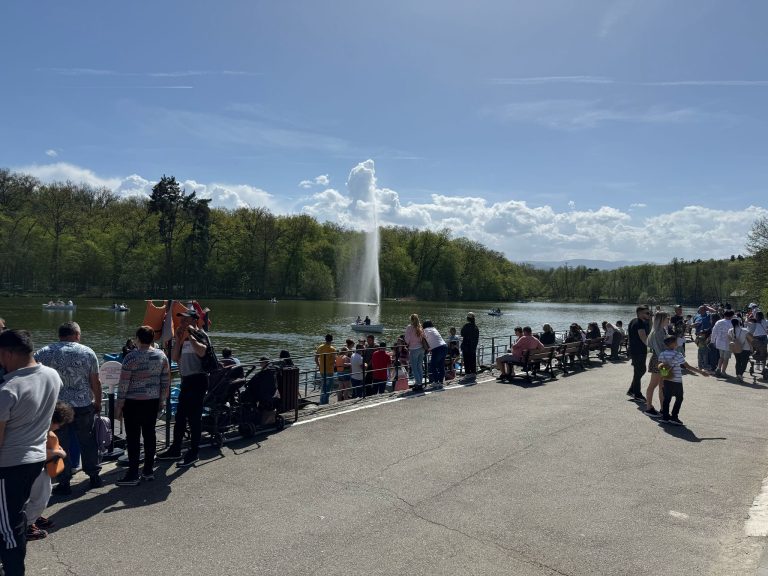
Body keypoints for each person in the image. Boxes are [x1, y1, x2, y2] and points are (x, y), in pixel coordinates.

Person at [0, 329, 61, 575]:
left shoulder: (8, 389)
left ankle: (14, 571)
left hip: (9, 464)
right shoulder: (52, 375)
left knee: (8, 527)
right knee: (15, 518)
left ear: (6, 353)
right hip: (35, 459)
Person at [34, 321, 102, 493]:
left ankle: (64, 483)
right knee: (87, 441)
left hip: (56, 407)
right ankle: (94, 476)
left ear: (60, 335)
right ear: (77, 334)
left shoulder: (43, 352)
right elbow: (95, 381)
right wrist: (98, 402)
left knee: (59, 444)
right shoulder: (87, 352)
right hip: (83, 404)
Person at [114, 326, 171, 486]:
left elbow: (124, 383)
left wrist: (119, 404)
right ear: (153, 338)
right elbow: (165, 381)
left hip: (133, 402)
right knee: (149, 435)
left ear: (138, 338)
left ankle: (133, 473)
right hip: (152, 401)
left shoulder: (131, 357)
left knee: (132, 437)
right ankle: (148, 470)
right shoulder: (161, 356)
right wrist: (162, 400)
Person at [156, 311, 211, 468]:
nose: (181, 323)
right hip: (186, 381)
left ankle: (194, 452)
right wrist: (179, 340)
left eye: (185, 320)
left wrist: (191, 336)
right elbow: (174, 357)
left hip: (199, 379)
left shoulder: (201, 335)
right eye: (181, 320)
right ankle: (175, 448)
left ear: (193, 320)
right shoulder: (181, 336)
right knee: (180, 417)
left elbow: (202, 352)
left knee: (194, 418)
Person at [25, 402, 74, 541]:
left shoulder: (35, 424)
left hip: (36, 466)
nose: (59, 427)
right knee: (42, 497)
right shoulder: (39, 430)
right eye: (59, 424)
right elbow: (34, 452)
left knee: (32, 496)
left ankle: (33, 516)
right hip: (36, 466)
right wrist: (58, 452)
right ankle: (28, 525)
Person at [657, 335, 709, 425]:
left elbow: (661, 368)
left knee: (667, 399)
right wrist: (701, 372)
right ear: (673, 344)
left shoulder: (662, 354)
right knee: (679, 398)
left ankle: (665, 417)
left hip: (666, 380)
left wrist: (661, 381)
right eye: (676, 342)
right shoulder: (678, 355)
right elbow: (687, 367)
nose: (677, 343)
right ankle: (674, 416)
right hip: (677, 381)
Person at [644, 311, 669, 417]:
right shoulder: (658, 331)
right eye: (667, 318)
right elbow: (659, 348)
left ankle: (663, 408)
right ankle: (649, 407)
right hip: (660, 361)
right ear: (662, 319)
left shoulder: (660, 330)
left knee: (662, 385)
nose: (668, 319)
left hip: (661, 360)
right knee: (654, 384)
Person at [627, 306, 651, 402]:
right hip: (638, 351)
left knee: (640, 370)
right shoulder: (639, 323)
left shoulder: (634, 321)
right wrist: (653, 346)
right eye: (647, 313)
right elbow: (643, 338)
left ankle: (632, 390)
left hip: (636, 350)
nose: (649, 315)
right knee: (639, 371)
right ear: (640, 313)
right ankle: (637, 394)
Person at [422, 320, 448, 388]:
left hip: (437, 348)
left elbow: (424, 341)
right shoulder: (434, 329)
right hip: (444, 346)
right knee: (441, 365)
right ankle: (441, 382)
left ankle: (436, 382)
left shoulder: (424, 331)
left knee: (432, 366)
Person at [711, 309, 736, 377]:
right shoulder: (732, 323)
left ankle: (718, 368)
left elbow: (714, 331)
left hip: (719, 342)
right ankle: (723, 371)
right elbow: (735, 333)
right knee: (726, 358)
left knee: (721, 357)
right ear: (731, 316)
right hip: (728, 343)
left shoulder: (719, 322)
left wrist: (713, 340)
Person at [405, 314, 426, 389]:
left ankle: (418, 384)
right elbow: (423, 338)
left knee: (414, 368)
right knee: (419, 367)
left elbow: (407, 340)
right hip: (421, 349)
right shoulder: (420, 327)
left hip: (414, 349)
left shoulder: (409, 328)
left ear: (411, 320)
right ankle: (420, 382)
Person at [728, 318, 752, 382]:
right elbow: (751, 340)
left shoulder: (730, 331)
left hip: (736, 348)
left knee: (738, 361)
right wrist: (752, 347)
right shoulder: (745, 330)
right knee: (744, 362)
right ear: (739, 323)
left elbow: (729, 340)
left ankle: (738, 374)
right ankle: (740, 374)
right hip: (746, 348)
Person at [314, 334, 335, 405]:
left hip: (322, 369)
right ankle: (325, 402)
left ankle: (322, 401)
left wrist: (319, 365)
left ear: (325, 339)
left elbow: (316, 358)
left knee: (323, 386)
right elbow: (334, 361)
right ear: (332, 340)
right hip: (329, 370)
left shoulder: (320, 347)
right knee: (328, 387)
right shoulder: (332, 349)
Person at [746, 311, 767, 375]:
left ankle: (757, 365)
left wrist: (747, 317)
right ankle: (763, 367)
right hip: (764, 337)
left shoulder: (753, 322)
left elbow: (746, 323)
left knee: (757, 351)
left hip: (756, 338)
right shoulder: (765, 321)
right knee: (763, 352)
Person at [460, 313, 480, 379]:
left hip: (466, 345)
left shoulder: (466, 326)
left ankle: (468, 373)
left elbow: (462, 333)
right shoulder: (476, 327)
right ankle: (473, 373)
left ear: (468, 318)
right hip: (473, 346)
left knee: (466, 360)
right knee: (473, 359)